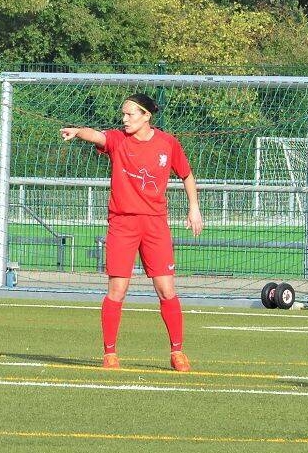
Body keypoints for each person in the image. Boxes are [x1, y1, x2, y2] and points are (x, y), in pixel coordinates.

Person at [60, 93, 204, 371]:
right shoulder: (118, 140)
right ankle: (110, 353)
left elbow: (186, 175)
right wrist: (78, 132)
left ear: (146, 116)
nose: (124, 119)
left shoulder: (168, 143)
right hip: (122, 224)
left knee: (166, 289)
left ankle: (177, 352)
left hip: (155, 225)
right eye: (123, 114)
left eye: (130, 114)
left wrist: (194, 208)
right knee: (117, 289)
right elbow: (97, 135)